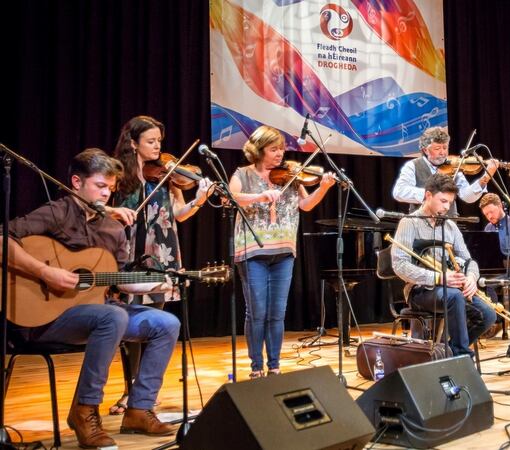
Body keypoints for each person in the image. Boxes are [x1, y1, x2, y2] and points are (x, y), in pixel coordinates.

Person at [3, 148, 180, 448]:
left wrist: (157, 285)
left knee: (165, 323)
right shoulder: (57, 212)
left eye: (111, 189)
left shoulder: (113, 228)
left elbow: (121, 281)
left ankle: (138, 409)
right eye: (100, 186)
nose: (106, 194)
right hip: (49, 316)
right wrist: (46, 274)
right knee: (114, 315)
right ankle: (84, 411)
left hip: (99, 311)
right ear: (76, 182)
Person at [106, 115, 215, 415]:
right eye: (151, 141)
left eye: (159, 142)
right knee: (129, 325)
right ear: (133, 143)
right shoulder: (119, 174)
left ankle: (145, 392)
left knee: (155, 321)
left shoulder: (167, 175)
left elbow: (179, 213)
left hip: (163, 253)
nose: (157, 148)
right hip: (128, 253)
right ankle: (130, 389)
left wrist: (200, 200)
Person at [230, 125, 336, 378]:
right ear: (259, 150)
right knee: (257, 311)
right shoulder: (242, 174)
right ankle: (256, 367)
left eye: (281, 148)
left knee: (277, 313)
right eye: (273, 149)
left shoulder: (290, 174)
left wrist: (323, 187)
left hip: (284, 251)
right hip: (252, 250)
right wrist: (260, 197)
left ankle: (274, 366)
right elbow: (231, 197)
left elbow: (305, 205)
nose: (280, 154)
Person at [390, 173, 497, 356]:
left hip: (450, 290)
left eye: (450, 202)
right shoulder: (409, 223)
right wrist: (439, 277)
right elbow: (399, 265)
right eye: (443, 201)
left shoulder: (450, 227)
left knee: (488, 314)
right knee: (454, 296)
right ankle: (462, 356)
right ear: (428, 196)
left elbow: (469, 260)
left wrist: (471, 278)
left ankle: (448, 352)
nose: (446, 207)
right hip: (419, 291)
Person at [392, 126, 498, 215]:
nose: (443, 153)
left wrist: (486, 177)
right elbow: (399, 191)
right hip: (420, 224)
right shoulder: (413, 165)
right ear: (425, 150)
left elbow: (467, 197)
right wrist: (431, 195)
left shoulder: (454, 165)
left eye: (445, 147)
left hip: (449, 223)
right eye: (437, 149)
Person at [479, 193, 510, 283]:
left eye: (491, 212)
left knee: (488, 284)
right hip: (495, 271)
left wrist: (497, 262)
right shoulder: (488, 228)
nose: (489, 216)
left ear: (500, 205)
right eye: (486, 214)